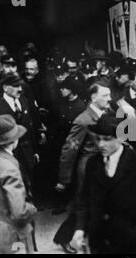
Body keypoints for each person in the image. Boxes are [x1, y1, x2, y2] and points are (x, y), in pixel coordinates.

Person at [71, 113, 136, 254]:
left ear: (122, 138)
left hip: (134, 245)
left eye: (107, 139)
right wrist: (79, 229)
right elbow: (84, 200)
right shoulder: (93, 163)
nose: (101, 144)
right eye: (97, 138)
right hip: (101, 244)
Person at [53, 81, 111, 253]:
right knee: (83, 205)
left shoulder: (106, 113)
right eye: (105, 95)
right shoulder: (83, 120)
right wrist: (64, 179)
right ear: (93, 97)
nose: (110, 98)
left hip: (103, 165)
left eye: (109, 94)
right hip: (88, 168)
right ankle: (65, 238)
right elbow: (69, 150)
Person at [0, 115, 37, 254]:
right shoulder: (9, 166)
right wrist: (32, 208)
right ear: (14, 141)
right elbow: (19, 212)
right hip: (12, 234)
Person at [0, 74, 41, 206]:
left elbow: (29, 127)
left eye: (20, 86)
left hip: (26, 150)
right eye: (15, 86)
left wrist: (35, 150)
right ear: (5, 87)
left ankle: (28, 204)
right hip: (7, 152)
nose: (19, 89)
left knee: (28, 179)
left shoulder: (24, 101)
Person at [48, 77, 86, 215]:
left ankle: (65, 202)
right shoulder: (61, 104)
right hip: (59, 141)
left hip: (73, 144)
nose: (61, 90)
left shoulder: (80, 106)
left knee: (71, 173)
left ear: (72, 90)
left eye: (65, 88)